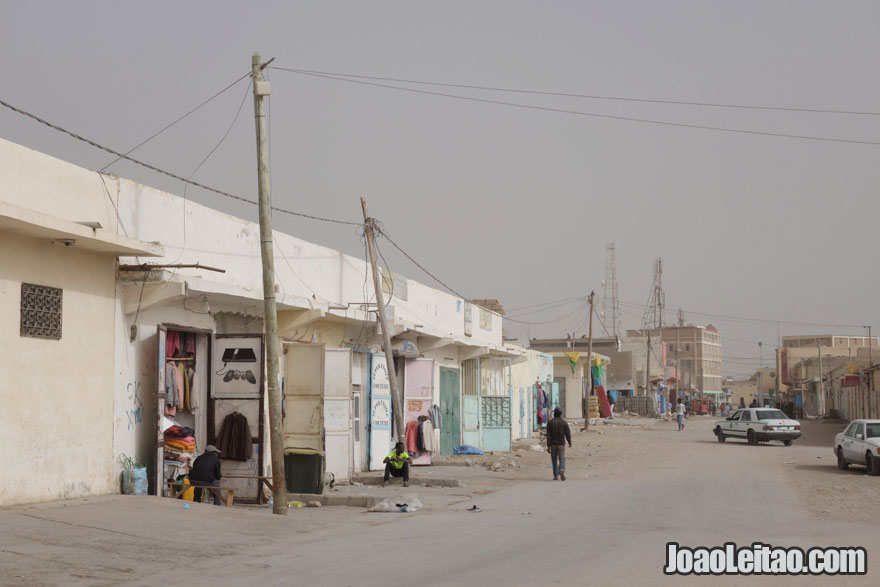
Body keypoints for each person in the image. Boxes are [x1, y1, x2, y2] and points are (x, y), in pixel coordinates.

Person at [546, 407, 572, 481]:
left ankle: (556, 476)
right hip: (561, 444)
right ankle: (561, 469)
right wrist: (569, 442)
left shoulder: (550, 423)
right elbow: (568, 433)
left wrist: (548, 446)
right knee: (562, 459)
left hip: (553, 444)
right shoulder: (564, 423)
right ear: (561, 414)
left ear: (554, 414)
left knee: (554, 460)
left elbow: (548, 435)